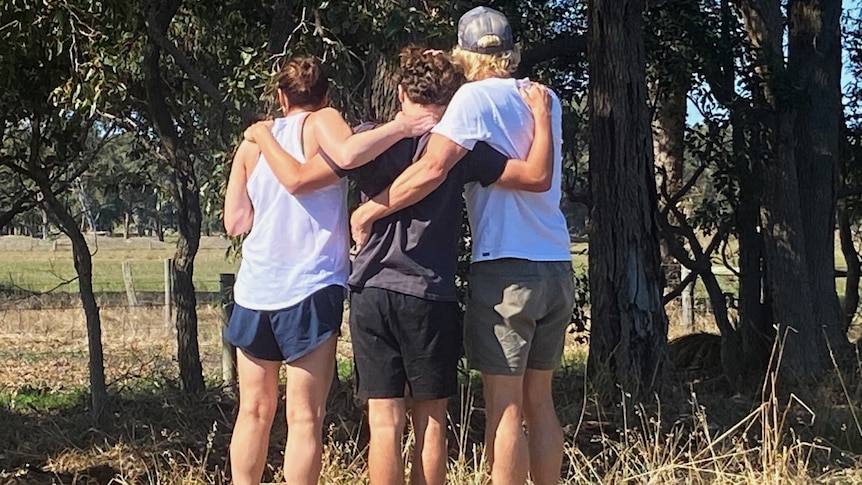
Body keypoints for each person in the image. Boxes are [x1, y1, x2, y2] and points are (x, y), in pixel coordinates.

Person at [244, 46, 554, 485]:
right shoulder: (461, 146)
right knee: (432, 424)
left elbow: (305, 175)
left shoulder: (370, 138)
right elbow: (532, 176)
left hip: (370, 290)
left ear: (399, 89)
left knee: (384, 425)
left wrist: (267, 141)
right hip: (429, 293)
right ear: (454, 96)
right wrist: (540, 122)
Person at [349, 7, 574, 485]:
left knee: (505, 407)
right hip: (555, 262)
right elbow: (538, 176)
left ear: (464, 53)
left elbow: (431, 169)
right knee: (541, 399)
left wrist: (370, 211)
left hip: (504, 266)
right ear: (510, 51)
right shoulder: (545, 98)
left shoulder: (469, 100)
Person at [223, 56, 433, 485]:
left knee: (253, 411)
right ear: (325, 96)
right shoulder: (322, 122)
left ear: (280, 97)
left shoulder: (251, 145)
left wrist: (258, 147)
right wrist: (401, 127)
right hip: (311, 285)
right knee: (304, 418)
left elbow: (235, 222)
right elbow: (348, 153)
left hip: (255, 288)